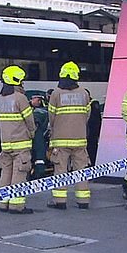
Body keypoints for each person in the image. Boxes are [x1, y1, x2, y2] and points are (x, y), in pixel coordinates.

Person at [46, 61, 91, 210]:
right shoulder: (84, 93)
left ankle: (60, 201)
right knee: (81, 170)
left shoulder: (56, 94)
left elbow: (51, 116)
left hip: (60, 140)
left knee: (60, 170)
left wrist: (55, 128)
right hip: (80, 139)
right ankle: (83, 201)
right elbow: (87, 115)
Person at [0, 65, 36, 214]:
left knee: (5, 174)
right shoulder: (20, 97)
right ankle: (16, 205)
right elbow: (29, 120)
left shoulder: (1, 99)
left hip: (6, 144)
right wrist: (32, 133)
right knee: (19, 174)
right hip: (21, 144)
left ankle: (2, 202)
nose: (22, 83)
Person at [30, 94, 48, 179]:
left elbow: (36, 120)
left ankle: (38, 173)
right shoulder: (36, 110)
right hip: (37, 136)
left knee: (39, 155)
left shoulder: (40, 111)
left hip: (38, 137)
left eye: (35, 99)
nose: (32, 101)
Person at [84, 88, 102, 166]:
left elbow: (95, 121)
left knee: (92, 149)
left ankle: (93, 165)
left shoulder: (94, 104)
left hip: (91, 133)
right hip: (85, 132)